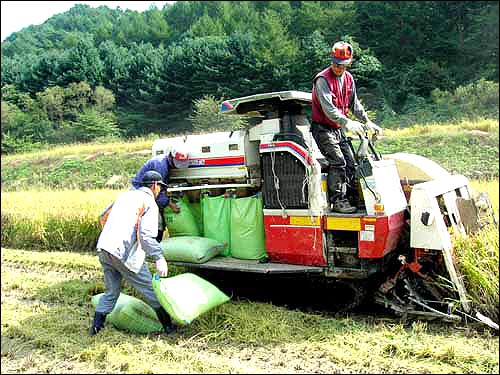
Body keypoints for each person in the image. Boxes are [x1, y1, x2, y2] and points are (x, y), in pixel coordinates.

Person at [91, 170, 176, 336]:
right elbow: (146, 235)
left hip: (104, 247)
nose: (160, 191)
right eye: (160, 187)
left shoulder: (125, 195)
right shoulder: (149, 202)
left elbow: (103, 216)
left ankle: (95, 329)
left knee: (111, 291)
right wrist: (159, 257)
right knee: (152, 290)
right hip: (123, 252)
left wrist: (113, 236)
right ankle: (169, 328)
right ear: (154, 186)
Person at [311, 41, 382, 214]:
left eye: (342, 65)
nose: (338, 68)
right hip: (323, 128)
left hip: (337, 129)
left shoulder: (349, 79)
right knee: (338, 161)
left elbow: (354, 104)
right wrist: (348, 123)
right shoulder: (322, 79)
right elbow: (329, 109)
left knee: (351, 163)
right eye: (335, 64)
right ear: (331, 60)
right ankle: (337, 201)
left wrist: (367, 122)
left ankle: (350, 197)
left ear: (348, 63)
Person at [131, 147, 190, 241]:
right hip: (140, 192)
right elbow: (158, 191)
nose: (176, 166)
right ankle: (154, 246)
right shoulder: (160, 165)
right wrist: (171, 204)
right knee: (156, 223)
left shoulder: (164, 162)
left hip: (149, 192)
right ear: (171, 157)